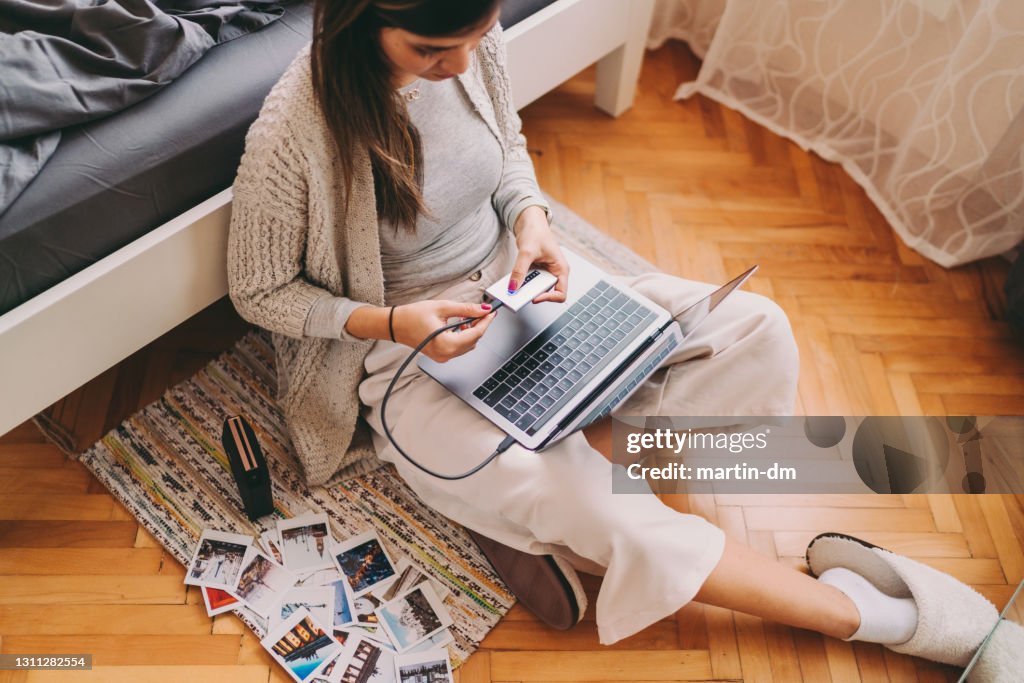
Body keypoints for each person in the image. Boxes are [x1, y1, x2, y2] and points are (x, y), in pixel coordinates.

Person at [226, 0, 1013, 673]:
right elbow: (258, 290)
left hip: (518, 290)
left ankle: (529, 498)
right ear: (365, 18)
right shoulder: (294, 130)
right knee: (590, 497)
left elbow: (508, 154)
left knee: (755, 331)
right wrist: (392, 322)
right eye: (432, 50)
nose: (460, 62)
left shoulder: (472, 44)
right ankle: (872, 614)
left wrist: (531, 221)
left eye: (476, 37)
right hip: (404, 354)